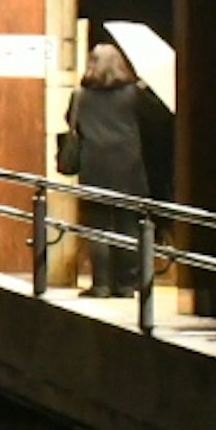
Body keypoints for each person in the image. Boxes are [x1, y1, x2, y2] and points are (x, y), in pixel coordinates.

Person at [65, 40, 153, 297]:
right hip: (129, 166)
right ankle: (126, 285)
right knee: (128, 226)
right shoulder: (134, 94)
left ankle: (101, 284)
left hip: (94, 166)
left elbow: (72, 122)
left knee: (98, 228)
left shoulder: (80, 96)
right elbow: (154, 120)